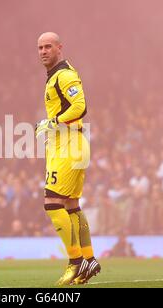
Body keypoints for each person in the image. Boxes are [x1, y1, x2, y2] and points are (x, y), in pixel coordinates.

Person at [35, 32, 100, 286]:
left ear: (59, 48)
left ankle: (75, 263)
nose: (43, 51)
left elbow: (80, 106)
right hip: (71, 142)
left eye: (48, 46)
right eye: (40, 47)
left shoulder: (64, 75)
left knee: (52, 203)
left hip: (69, 143)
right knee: (71, 205)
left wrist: (52, 122)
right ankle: (89, 259)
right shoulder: (56, 75)